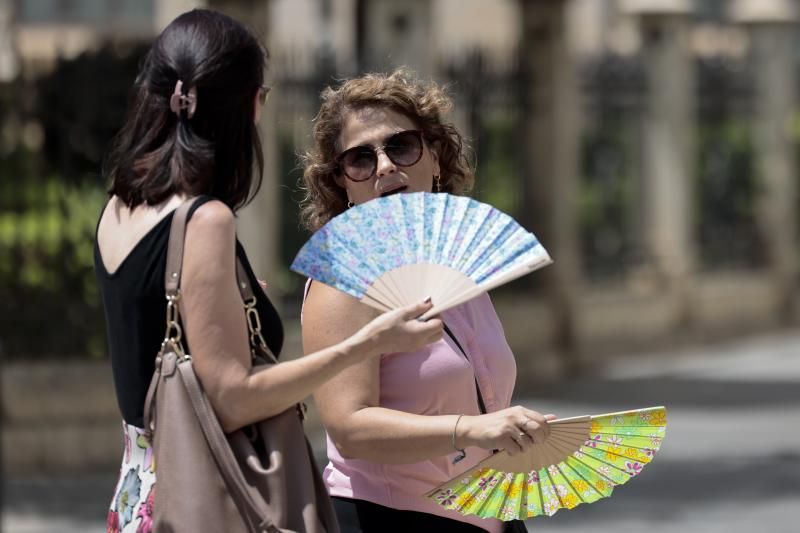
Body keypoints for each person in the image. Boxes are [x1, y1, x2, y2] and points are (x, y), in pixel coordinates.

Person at [95, 12, 442, 533]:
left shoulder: (119, 208)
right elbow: (232, 399)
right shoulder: (203, 219)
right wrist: (365, 344)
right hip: (209, 494)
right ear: (248, 104)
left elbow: (148, 332)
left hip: (142, 491)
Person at [299, 69, 556, 533]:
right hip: (389, 519)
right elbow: (349, 428)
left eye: (400, 146)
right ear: (343, 183)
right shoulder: (344, 273)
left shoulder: (456, 263)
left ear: (435, 156)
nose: (383, 167)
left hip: (493, 513)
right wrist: (470, 429)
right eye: (360, 159)